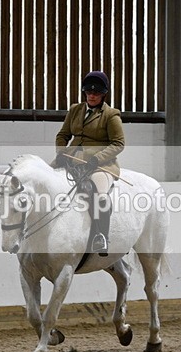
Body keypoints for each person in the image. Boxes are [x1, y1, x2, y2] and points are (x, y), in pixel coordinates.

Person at [51, 70, 125, 256]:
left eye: (96, 93)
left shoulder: (111, 115)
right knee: (45, 181)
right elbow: (63, 135)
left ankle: (101, 236)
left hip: (99, 165)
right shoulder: (75, 110)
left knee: (100, 196)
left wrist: (97, 159)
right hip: (72, 159)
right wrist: (61, 152)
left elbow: (118, 143)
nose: (91, 96)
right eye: (88, 92)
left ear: (103, 94)